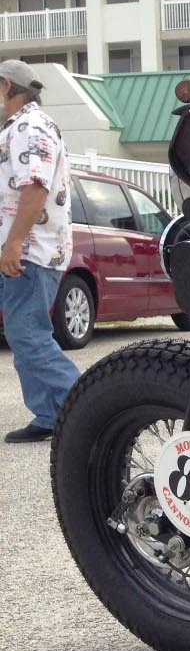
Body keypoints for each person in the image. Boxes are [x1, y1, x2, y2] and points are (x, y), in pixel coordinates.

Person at [0, 60, 80, 444]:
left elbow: (35, 187)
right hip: (30, 249)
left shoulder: (29, 128)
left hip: (32, 250)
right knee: (25, 334)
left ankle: (86, 410)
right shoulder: (21, 127)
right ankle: (50, 414)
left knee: (28, 334)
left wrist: (14, 241)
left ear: (6, 87)